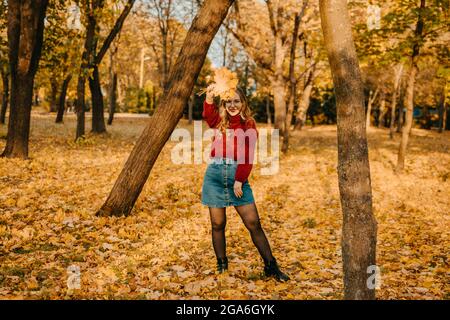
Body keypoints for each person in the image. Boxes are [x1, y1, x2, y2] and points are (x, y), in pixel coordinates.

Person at [201, 86, 289, 282]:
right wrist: (208, 97)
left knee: (253, 223)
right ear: (224, 104)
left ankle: (271, 266)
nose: (232, 105)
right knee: (217, 223)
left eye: (236, 101)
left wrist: (239, 180)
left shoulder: (248, 124)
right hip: (214, 176)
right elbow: (208, 114)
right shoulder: (219, 122)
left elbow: (247, 157)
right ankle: (222, 265)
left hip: (236, 177)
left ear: (243, 103)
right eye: (228, 102)